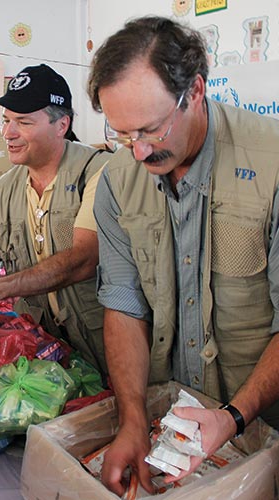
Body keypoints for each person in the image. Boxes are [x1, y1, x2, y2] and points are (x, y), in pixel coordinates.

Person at [88, 16, 279, 496]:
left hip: (265, 425)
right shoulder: (116, 180)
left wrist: (233, 417)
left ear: (194, 91)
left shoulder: (272, 164)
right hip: (171, 422)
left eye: (151, 129)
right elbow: (123, 302)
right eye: (124, 135)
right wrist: (132, 419)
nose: (139, 152)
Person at [0, 64, 111, 375]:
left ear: (61, 124)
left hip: (103, 342)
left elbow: (83, 258)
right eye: (7, 121)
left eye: (23, 122)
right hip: (42, 350)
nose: (8, 133)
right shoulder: (4, 189)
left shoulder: (99, 171)